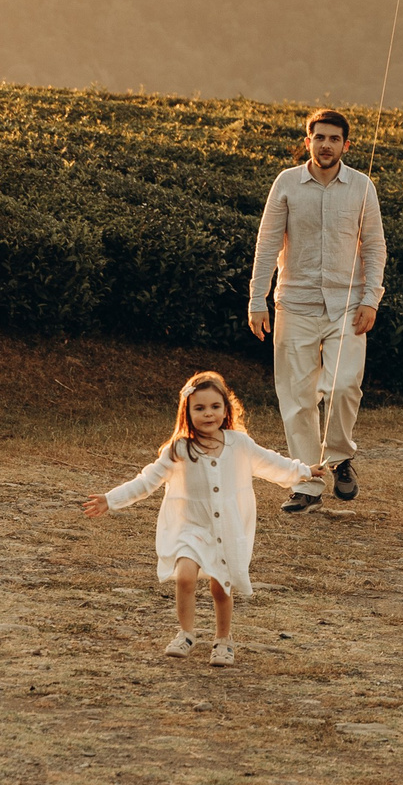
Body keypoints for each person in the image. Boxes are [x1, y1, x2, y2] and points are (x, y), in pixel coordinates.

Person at [83, 370, 313, 665]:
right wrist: (111, 499)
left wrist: (304, 471)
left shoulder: (239, 444)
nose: (208, 414)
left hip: (226, 529)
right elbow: (147, 481)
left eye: (215, 407)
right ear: (187, 412)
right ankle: (186, 633)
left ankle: (223, 640)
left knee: (220, 587)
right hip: (189, 527)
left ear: (226, 410)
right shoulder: (179, 449)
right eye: (199, 408)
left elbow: (272, 463)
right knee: (185, 576)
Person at [248, 107, 386, 512]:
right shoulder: (287, 183)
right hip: (295, 302)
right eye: (320, 137)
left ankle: (340, 456)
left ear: (346, 145)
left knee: (344, 386)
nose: (326, 145)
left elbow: (374, 246)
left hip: (348, 304)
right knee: (297, 396)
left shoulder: (362, 186)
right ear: (308, 141)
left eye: (334, 139)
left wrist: (371, 299)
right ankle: (307, 485)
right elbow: (267, 243)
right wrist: (257, 299)